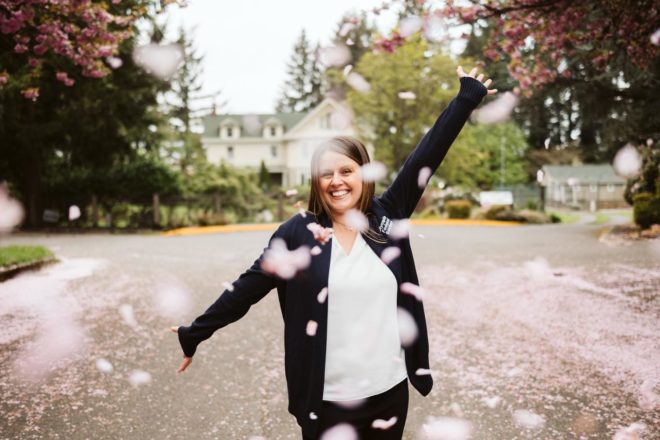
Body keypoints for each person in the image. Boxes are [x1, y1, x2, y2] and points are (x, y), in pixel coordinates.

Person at [171, 66, 496, 439]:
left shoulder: (388, 215)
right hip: (326, 400)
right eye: (327, 173)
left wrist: (466, 98)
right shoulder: (297, 233)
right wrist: (194, 333)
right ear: (316, 181)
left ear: (363, 175)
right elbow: (248, 288)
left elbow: (427, 155)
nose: (337, 181)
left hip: (388, 392)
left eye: (347, 170)